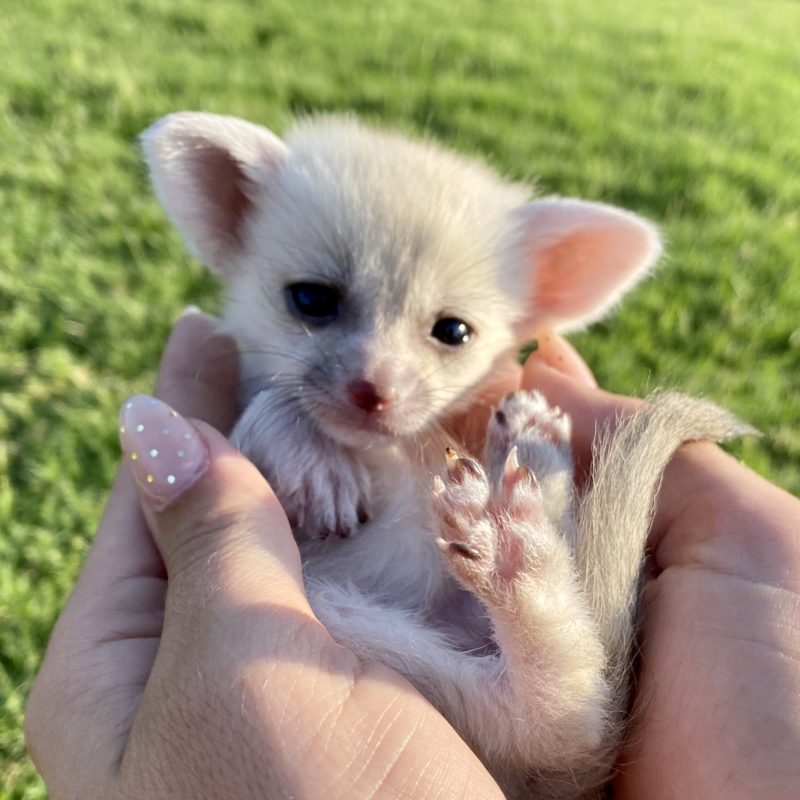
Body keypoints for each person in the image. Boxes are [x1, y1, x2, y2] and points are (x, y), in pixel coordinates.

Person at [25, 310, 800, 799]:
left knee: (306, 611)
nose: (377, 376)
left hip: (497, 712)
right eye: (317, 303)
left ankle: (534, 605)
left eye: (448, 330)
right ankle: (534, 580)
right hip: (502, 682)